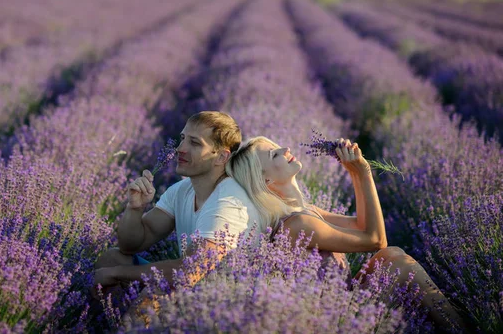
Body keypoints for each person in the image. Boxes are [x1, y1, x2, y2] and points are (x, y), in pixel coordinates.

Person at [226, 136, 469, 333]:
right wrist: (363, 173)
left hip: (345, 304)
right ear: (265, 179)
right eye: (273, 154)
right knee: (396, 260)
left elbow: (363, 224)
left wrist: (355, 172)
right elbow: (376, 239)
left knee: (392, 257)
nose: (286, 149)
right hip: (337, 321)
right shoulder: (297, 225)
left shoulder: (305, 211)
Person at [91, 111, 263, 300]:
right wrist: (135, 208)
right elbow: (130, 245)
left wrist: (117, 274)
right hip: (190, 288)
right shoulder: (182, 189)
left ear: (221, 157)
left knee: (154, 292)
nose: (180, 148)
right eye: (182, 139)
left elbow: (189, 271)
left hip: (220, 303)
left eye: (195, 143)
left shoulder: (228, 202)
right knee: (112, 259)